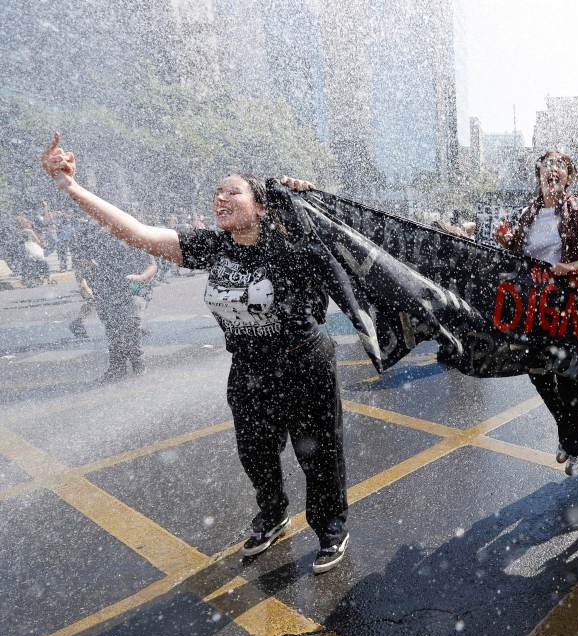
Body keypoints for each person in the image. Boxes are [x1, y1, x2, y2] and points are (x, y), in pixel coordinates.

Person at [41, 133, 350, 574]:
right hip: (249, 369)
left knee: (318, 456)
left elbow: (345, 236)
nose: (220, 197)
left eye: (232, 191)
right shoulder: (213, 246)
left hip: (305, 364)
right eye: (217, 192)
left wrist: (310, 197)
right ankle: (274, 513)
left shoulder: (294, 243)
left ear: (261, 205)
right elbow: (135, 233)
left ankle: (330, 528)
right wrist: (70, 187)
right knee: (255, 453)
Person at [495, 150, 578, 475]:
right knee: (538, 372)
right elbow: (519, 252)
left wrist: (572, 267)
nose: (552, 172)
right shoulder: (529, 213)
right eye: (547, 167)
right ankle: (568, 434)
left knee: (575, 377)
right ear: (538, 175)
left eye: (559, 168)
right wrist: (506, 241)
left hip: (573, 307)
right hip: (535, 310)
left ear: (568, 177)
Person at [71, 222, 150, 380]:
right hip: (105, 293)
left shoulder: (135, 236)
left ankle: (138, 366)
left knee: (131, 328)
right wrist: (84, 284)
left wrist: (140, 277)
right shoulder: (96, 239)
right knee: (113, 331)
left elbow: (151, 265)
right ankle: (117, 367)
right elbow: (80, 264)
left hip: (132, 291)